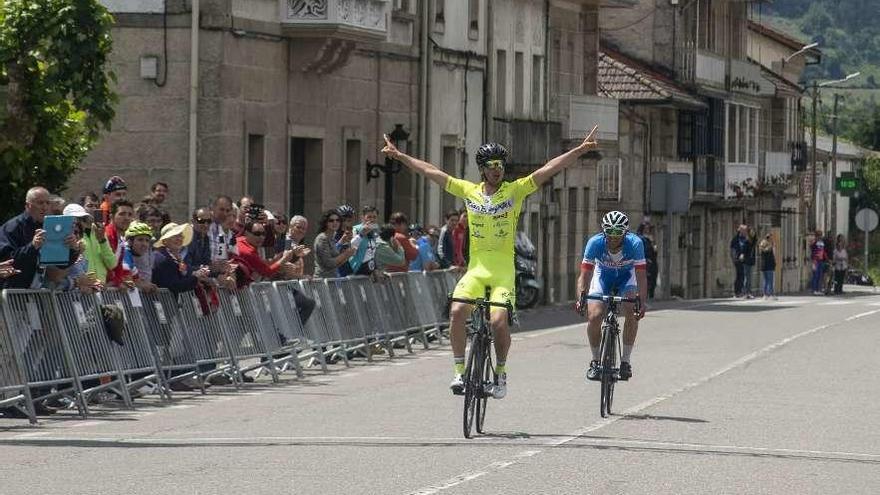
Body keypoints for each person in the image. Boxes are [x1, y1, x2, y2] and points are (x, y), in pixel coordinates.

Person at [381, 125, 599, 399]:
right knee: (458, 312)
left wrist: (579, 150)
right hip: (477, 270)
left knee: (498, 322)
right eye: (491, 165)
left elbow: (548, 169)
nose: (497, 169)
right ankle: (460, 370)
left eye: (501, 164)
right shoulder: (468, 191)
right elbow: (432, 172)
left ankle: (501, 371)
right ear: (482, 168)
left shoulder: (514, 191)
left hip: (502, 272)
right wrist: (400, 156)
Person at [576, 211, 647, 382]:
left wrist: (641, 302)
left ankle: (625, 361)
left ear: (625, 233)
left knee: (631, 310)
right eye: (610, 232)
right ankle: (595, 361)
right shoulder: (594, 243)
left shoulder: (635, 244)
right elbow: (584, 275)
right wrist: (581, 298)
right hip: (603, 277)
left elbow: (641, 276)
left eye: (618, 233)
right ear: (604, 231)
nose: (613, 237)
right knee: (594, 316)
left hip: (626, 278)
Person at [0, 187, 51, 289]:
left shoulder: (48, 227)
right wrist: (32, 246)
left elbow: (58, 264)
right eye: (40, 203)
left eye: (47, 203)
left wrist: (72, 250)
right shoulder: (13, 227)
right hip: (13, 294)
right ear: (28, 205)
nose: (45, 207)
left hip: (37, 293)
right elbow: (7, 260)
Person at [314, 210, 357, 278]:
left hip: (333, 279)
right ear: (325, 223)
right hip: (322, 281)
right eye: (331, 220)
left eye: (337, 220)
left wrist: (348, 255)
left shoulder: (332, 238)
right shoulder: (322, 238)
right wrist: (346, 253)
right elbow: (329, 263)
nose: (335, 222)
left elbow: (336, 264)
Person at [105, 200, 137, 287]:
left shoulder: (121, 239)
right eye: (122, 214)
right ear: (111, 217)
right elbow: (107, 265)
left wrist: (119, 281)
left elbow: (117, 268)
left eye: (130, 215)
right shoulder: (107, 235)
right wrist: (116, 282)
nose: (126, 218)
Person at [125, 222, 158, 292]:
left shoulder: (146, 254)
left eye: (147, 240)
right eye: (140, 240)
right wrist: (141, 284)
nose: (144, 244)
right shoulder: (124, 253)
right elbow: (124, 279)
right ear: (130, 242)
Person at [635, 221, 658, 299]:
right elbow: (647, 251)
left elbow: (654, 251)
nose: (648, 230)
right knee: (646, 280)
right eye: (647, 229)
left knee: (651, 280)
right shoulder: (641, 239)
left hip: (651, 262)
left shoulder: (648, 239)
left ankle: (648, 295)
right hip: (645, 262)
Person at [729, 224, 749, 297]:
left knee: (743, 275)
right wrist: (734, 258)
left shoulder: (746, 239)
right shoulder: (736, 239)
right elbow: (732, 249)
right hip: (738, 260)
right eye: (744, 231)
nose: (745, 232)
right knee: (740, 275)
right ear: (741, 231)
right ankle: (737, 291)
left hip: (745, 260)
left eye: (746, 231)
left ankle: (741, 291)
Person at [759, 234, 776, 300]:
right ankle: (771, 294)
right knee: (770, 280)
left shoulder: (761, 248)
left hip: (764, 266)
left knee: (765, 280)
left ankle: (765, 294)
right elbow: (772, 257)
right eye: (771, 238)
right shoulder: (769, 247)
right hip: (769, 265)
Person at [809, 230, 827, 296]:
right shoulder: (815, 242)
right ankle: (814, 289)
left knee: (820, 275)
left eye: (821, 235)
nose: (820, 236)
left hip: (821, 260)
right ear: (816, 236)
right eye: (818, 235)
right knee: (815, 275)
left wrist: (826, 258)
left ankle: (818, 289)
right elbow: (811, 248)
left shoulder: (822, 242)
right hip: (815, 260)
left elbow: (823, 251)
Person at [742, 227, 757, 299]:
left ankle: (749, 292)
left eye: (753, 232)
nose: (753, 233)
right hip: (746, 261)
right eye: (751, 232)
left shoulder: (753, 242)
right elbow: (743, 250)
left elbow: (756, 239)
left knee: (749, 278)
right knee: (747, 278)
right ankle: (745, 293)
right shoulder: (746, 241)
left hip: (751, 261)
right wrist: (742, 255)